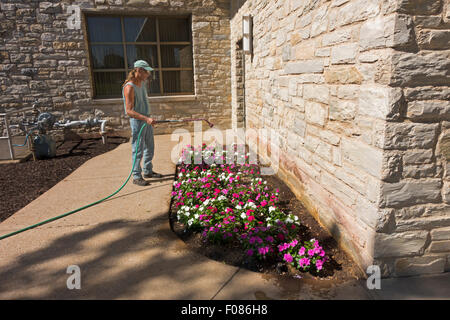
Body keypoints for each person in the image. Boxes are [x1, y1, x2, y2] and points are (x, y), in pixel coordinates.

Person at [122, 60, 163, 186]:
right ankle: (136, 176)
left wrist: (148, 118)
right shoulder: (129, 87)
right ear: (139, 70)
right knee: (138, 150)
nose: (148, 75)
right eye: (146, 72)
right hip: (138, 122)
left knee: (150, 147)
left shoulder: (142, 83)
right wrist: (145, 119)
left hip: (146, 119)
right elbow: (129, 111)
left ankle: (148, 171)